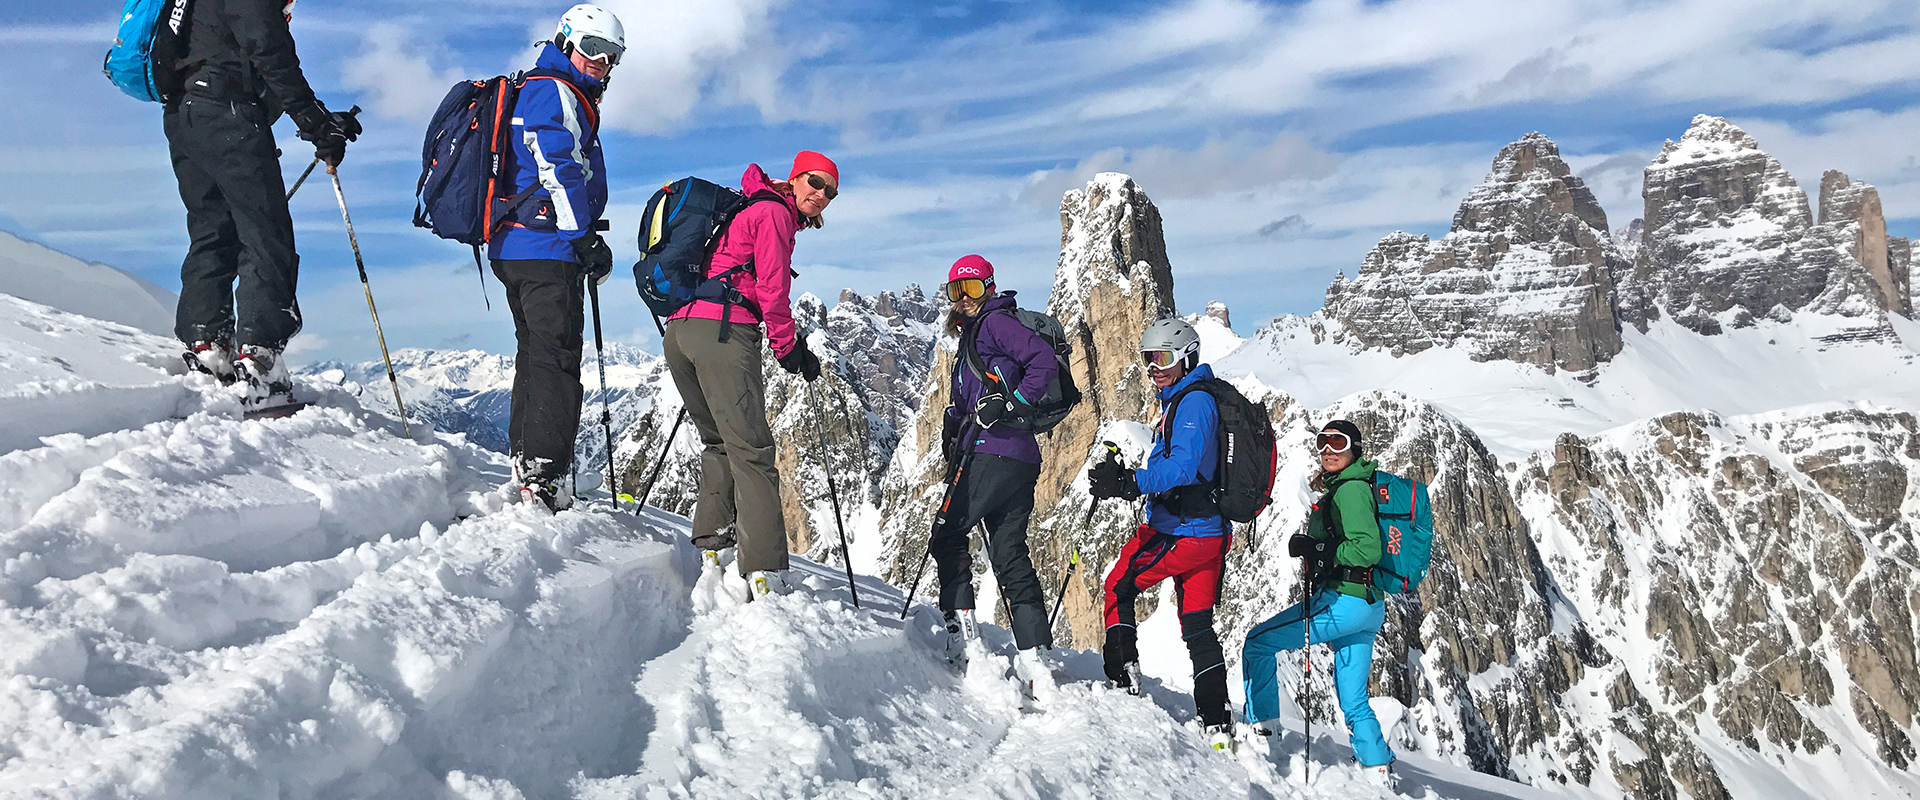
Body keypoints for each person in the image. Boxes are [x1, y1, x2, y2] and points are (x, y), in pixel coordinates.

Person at [167, 0, 360, 406]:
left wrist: (320, 118)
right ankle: (260, 361)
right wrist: (314, 122)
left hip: (185, 113)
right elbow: (269, 52)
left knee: (212, 228)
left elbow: (234, 61)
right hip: (227, 113)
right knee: (264, 232)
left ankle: (207, 348)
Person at [662, 150, 835, 598]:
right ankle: (764, 570)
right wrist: (788, 348)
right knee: (752, 450)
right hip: (723, 331)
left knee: (719, 441)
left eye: (830, 191)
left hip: (680, 331)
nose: (821, 195)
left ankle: (712, 548)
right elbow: (774, 289)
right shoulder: (774, 214)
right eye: (815, 182)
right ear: (794, 178)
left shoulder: (749, 205)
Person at [490, 4, 623, 511]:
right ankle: (544, 476)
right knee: (557, 354)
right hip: (545, 246)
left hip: (520, 244)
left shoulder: (548, 86)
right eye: (593, 49)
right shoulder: (555, 89)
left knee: (536, 352)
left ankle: (530, 463)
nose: (602, 62)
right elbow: (556, 165)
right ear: (567, 41)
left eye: (612, 55)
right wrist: (583, 235)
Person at [1087, 317, 1235, 751]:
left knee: (1118, 587)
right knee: (1197, 626)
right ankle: (1215, 721)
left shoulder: (1192, 404)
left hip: (1180, 532)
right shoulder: (1188, 399)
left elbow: (1183, 467)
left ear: (1187, 357)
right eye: (1148, 359)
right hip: (1208, 536)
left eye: (1163, 358)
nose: (1153, 368)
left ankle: (1122, 680)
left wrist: (1131, 482)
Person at [930, 255, 1059, 701]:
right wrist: (956, 419)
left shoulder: (994, 325)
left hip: (991, 453)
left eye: (973, 290)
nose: (964, 300)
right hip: (1020, 458)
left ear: (989, 288)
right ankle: (1033, 655)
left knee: (947, 535)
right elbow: (975, 398)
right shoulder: (976, 334)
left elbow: (1042, 360)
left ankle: (964, 635)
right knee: (1009, 552)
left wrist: (1010, 403)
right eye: (955, 292)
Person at [1241, 419, 1395, 788]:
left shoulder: (1351, 491)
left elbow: (1367, 547)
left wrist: (1321, 549)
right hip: (1369, 606)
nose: (1328, 449)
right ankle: (1377, 771)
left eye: (1337, 443)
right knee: (1354, 699)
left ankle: (1264, 732)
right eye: (1322, 442)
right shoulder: (1350, 486)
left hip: (1343, 601)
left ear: (1354, 448)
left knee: (1258, 642)